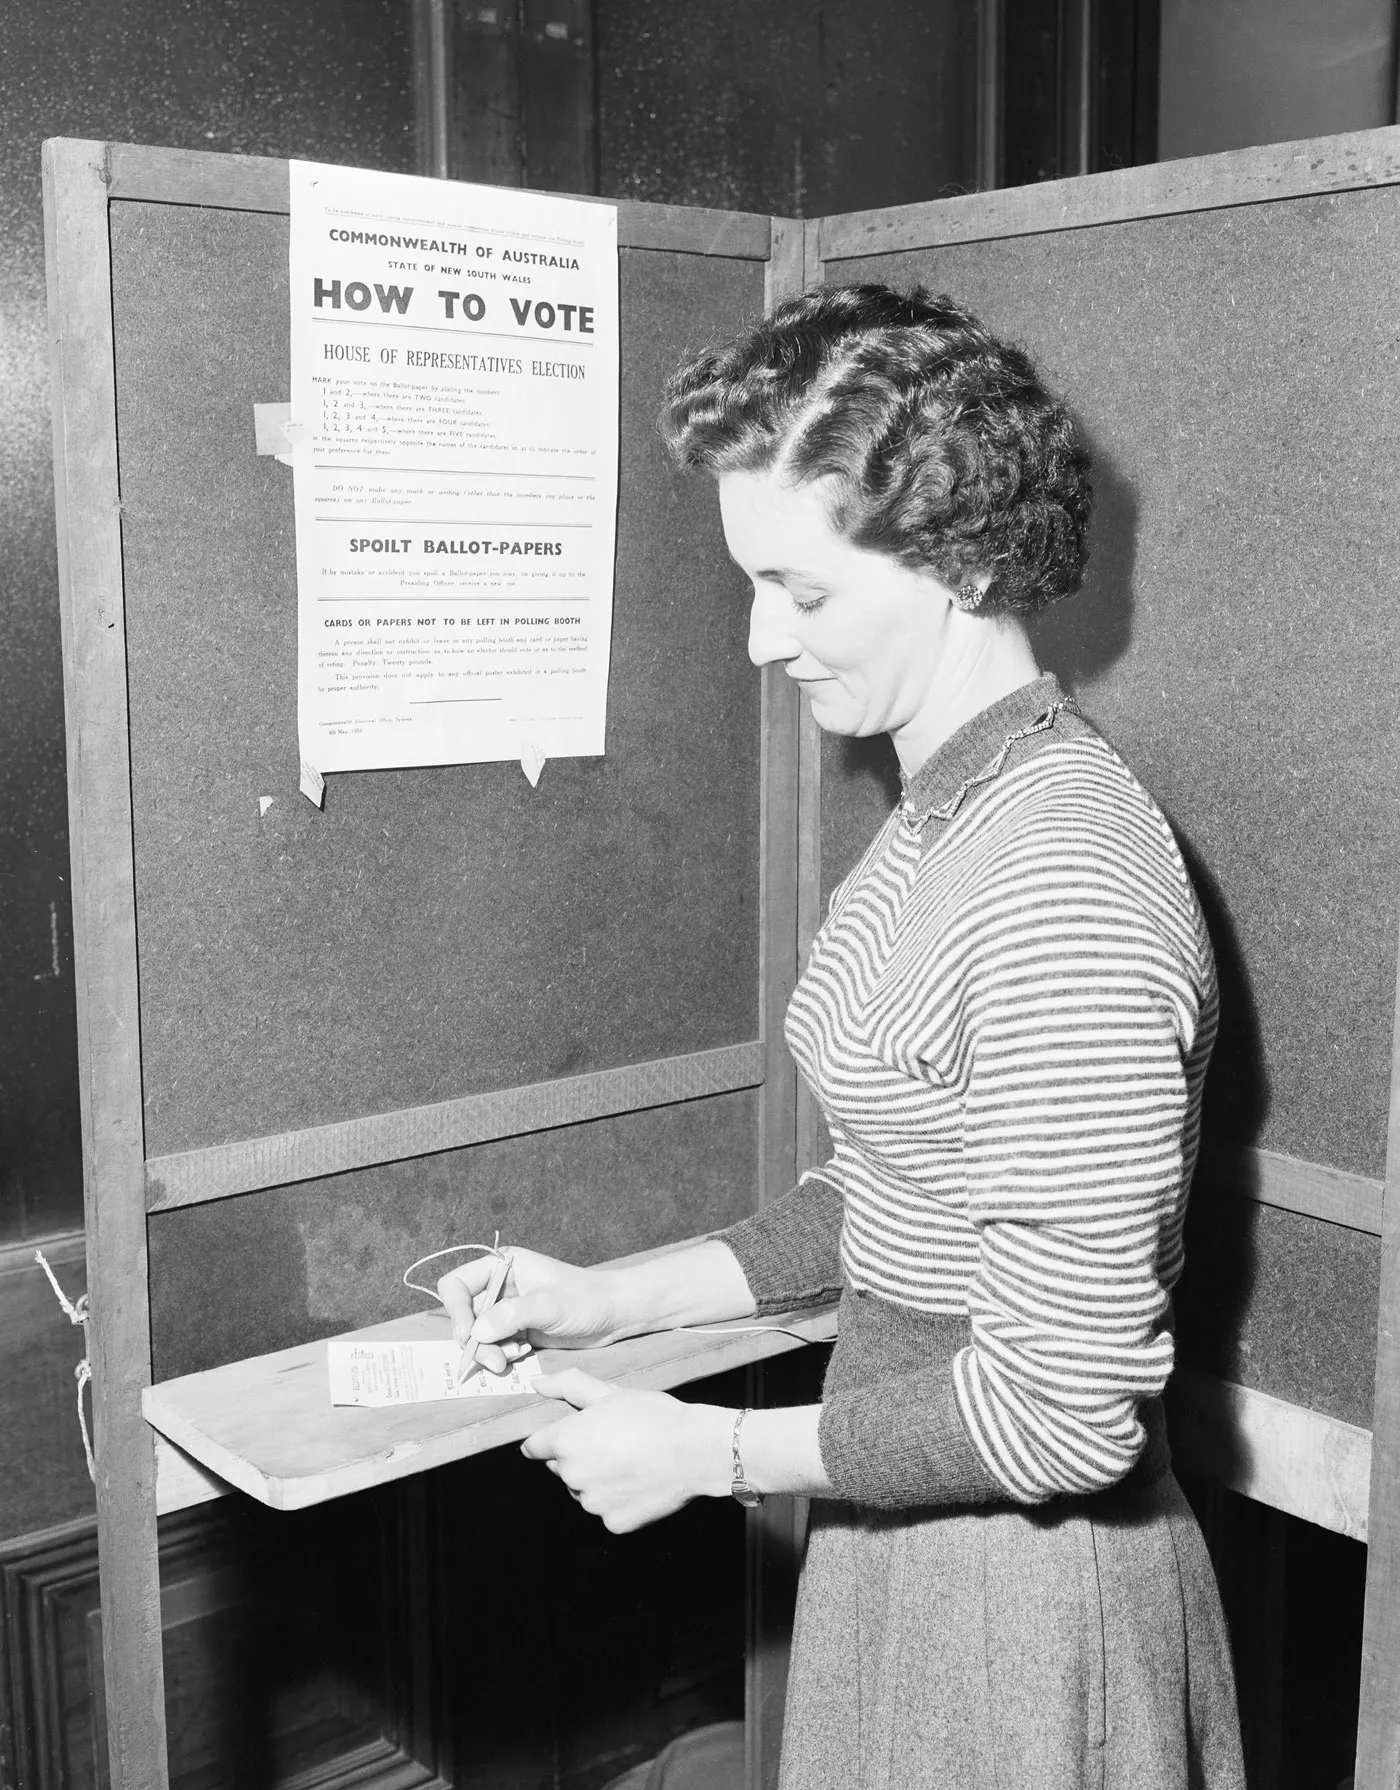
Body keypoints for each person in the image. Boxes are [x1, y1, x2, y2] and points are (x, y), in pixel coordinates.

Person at [438, 285, 1245, 1790]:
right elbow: (885, 1190)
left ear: (959, 559)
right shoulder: (943, 810)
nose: (758, 637)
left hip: (1023, 1602)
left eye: (799, 592)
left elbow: (1061, 1407)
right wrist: (611, 1300)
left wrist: (706, 1455)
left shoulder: (1064, 878)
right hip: (899, 1538)